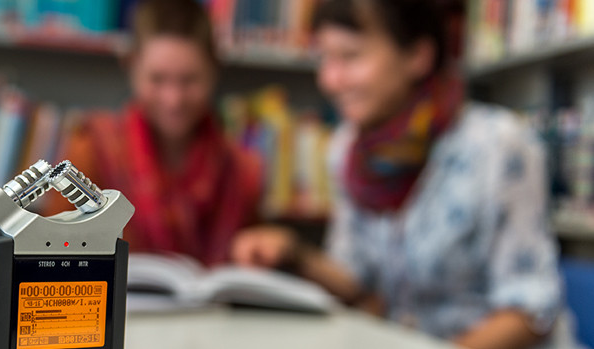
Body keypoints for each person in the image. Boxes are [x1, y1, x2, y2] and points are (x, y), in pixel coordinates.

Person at [231, 1, 576, 348]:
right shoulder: (347, 149)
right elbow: (354, 279)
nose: (329, 80)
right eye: (324, 58)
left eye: (350, 57)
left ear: (418, 56)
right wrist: (294, 254)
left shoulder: (499, 145)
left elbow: (532, 308)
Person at [45, 0, 261, 266]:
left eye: (189, 80)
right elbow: (52, 250)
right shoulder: (92, 148)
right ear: (132, 68)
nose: (174, 100)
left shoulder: (242, 171)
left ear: (214, 71)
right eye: (157, 79)